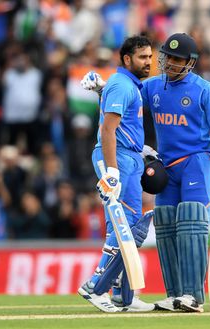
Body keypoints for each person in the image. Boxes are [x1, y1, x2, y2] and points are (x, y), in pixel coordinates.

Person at [83, 32, 210, 313]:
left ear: (190, 62)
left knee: (190, 222)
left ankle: (192, 294)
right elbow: (126, 100)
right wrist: (103, 88)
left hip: (196, 161)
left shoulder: (204, 89)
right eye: (167, 57)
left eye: (177, 59)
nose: (170, 63)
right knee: (164, 224)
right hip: (166, 164)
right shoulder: (154, 87)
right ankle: (174, 294)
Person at [77, 35, 155, 313]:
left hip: (129, 157)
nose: (149, 62)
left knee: (123, 225)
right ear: (127, 59)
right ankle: (95, 287)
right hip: (116, 158)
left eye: (150, 56)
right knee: (128, 225)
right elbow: (107, 130)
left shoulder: (126, 85)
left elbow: (123, 126)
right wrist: (111, 172)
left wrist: (141, 149)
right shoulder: (122, 84)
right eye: (143, 57)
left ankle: (124, 296)